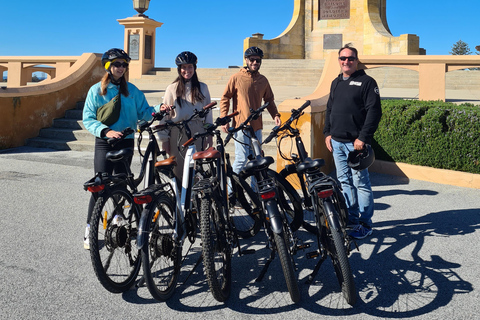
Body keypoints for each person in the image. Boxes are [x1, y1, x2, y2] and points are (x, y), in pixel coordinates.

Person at [82, 48, 165, 249]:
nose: (121, 68)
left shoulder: (133, 91)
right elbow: (88, 118)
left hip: (126, 141)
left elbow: (144, 112)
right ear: (108, 67)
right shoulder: (96, 90)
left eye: (124, 64)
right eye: (117, 64)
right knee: (99, 185)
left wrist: (158, 111)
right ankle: (89, 229)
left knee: (121, 184)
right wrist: (105, 131)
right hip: (104, 142)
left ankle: (119, 219)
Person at [323, 44, 382, 240]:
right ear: (338, 61)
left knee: (361, 183)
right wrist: (327, 133)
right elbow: (329, 109)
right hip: (337, 143)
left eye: (350, 58)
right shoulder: (336, 82)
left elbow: (374, 112)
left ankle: (366, 223)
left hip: (355, 145)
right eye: (343, 58)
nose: (346, 61)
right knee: (344, 182)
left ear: (356, 61)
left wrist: (363, 138)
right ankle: (352, 220)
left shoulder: (366, 82)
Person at [220, 46, 281, 175]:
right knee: (241, 159)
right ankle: (232, 191)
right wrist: (224, 118)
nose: (255, 63)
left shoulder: (263, 80)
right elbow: (225, 98)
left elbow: (269, 100)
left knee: (257, 160)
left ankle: (255, 190)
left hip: (257, 127)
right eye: (252, 60)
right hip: (241, 126)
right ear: (246, 60)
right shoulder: (236, 78)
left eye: (257, 60)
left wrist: (275, 114)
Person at [156, 51, 213, 181]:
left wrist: (209, 135)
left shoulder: (203, 88)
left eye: (190, 67)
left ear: (194, 68)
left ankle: (196, 200)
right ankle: (179, 200)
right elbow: (165, 115)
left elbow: (208, 113)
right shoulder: (172, 88)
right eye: (184, 67)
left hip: (198, 132)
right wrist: (164, 140)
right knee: (179, 171)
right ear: (179, 69)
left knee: (196, 170)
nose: (187, 70)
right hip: (178, 132)